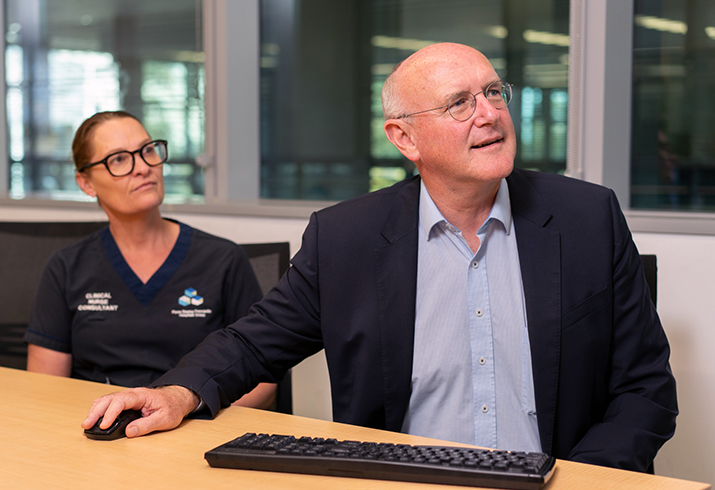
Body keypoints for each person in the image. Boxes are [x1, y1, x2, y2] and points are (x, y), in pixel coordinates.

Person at [82, 44, 677, 472]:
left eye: (494, 92)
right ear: (404, 139)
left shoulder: (586, 219)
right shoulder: (347, 238)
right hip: (405, 481)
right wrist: (177, 393)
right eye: (459, 103)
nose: (490, 113)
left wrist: (583, 479)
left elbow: (646, 389)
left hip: (558, 481)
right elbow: (252, 343)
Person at [25, 111, 276, 409]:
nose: (143, 167)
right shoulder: (66, 267)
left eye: (147, 150)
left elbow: (262, 378)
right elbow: (45, 389)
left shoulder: (223, 259)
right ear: (86, 182)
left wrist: (194, 415)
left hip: (195, 428)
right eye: (118, 159)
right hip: (99, 434)